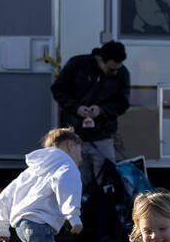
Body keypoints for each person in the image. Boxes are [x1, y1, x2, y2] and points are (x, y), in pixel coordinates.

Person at [51, 41, 130, 187]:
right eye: (111, 69)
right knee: (76, 181)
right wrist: (76, 108)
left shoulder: (122, 73)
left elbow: (123, 103)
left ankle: (105, 208)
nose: (115, 73)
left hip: (103, 136)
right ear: (100, 60)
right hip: (74, 135)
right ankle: (79, 208)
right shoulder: (77, 65)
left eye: (117, 69)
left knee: (107, 181)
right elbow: (58, 89)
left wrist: (102, 110)